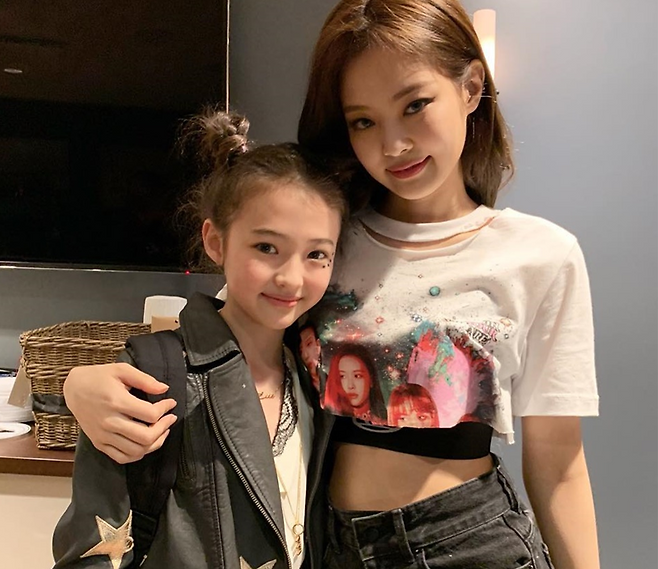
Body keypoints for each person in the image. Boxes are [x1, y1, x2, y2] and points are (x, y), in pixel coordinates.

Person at [62, 1, 600, 567]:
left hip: (467, 541)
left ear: (470, 88)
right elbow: (217, 346)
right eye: (364, 121)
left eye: (415, 105)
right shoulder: (323, 240)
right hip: (328, 543)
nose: (393, 145)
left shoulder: (541, 255)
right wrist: (78, 386)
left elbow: (559, 463)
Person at [52, 109, 347, 569]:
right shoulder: (153, 375)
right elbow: (91, 552)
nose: (291, 278)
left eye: (316, 255)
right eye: (266, 247)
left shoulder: (318, 377)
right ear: (216, 241)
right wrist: (72, 384)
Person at [322, 344, 387, 423]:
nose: (350, 385)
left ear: (371, 380)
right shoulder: (329, 420)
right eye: (342, 376)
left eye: (357, 376)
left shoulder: (387, 420)